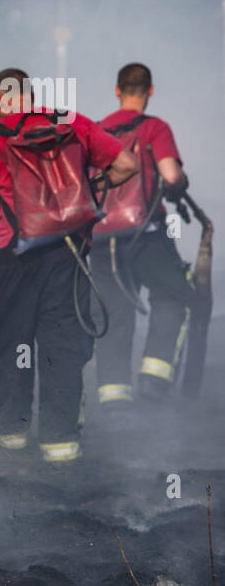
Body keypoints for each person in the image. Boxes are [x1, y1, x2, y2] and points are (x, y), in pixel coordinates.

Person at [0, 69, 136, 463]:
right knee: (63, 345)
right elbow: (127, 165)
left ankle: (13, 432)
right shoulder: (72, 123)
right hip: (69, 254)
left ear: (0, 101)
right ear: (32, 95)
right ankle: (60, 443)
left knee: (12, 344)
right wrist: (91, 190)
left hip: (13, 259)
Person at [91, 63, 196, 407]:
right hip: (146, 235)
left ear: (117, 90)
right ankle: (154, 377)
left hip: (101, 239)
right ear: (150, 91)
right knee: (175, 295)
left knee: (114, 314)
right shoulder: (155, 128)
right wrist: (179, 184)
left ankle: (113, 399)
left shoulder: (96, 130)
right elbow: (170, 174)